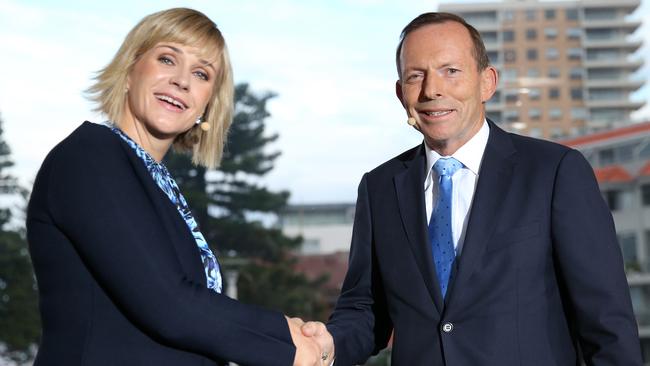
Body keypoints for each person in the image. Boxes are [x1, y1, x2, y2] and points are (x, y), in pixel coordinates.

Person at [301, 12, 643, 365]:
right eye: (416, 75)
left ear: (487, 83)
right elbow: (366, 309)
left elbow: (607, 323)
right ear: (401, 93)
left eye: (451, 71)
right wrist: (327, 344)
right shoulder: (379, 188)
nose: (432, 89)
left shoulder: (554, 172)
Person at [26, 8, 324, 366]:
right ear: (129, 71)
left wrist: (290, 334)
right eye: (167, 58)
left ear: (207, 105)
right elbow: (168, 303)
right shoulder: (90, 157)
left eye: (201, 73)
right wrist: (289, 346)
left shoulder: (155, 182)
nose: (182, 81)